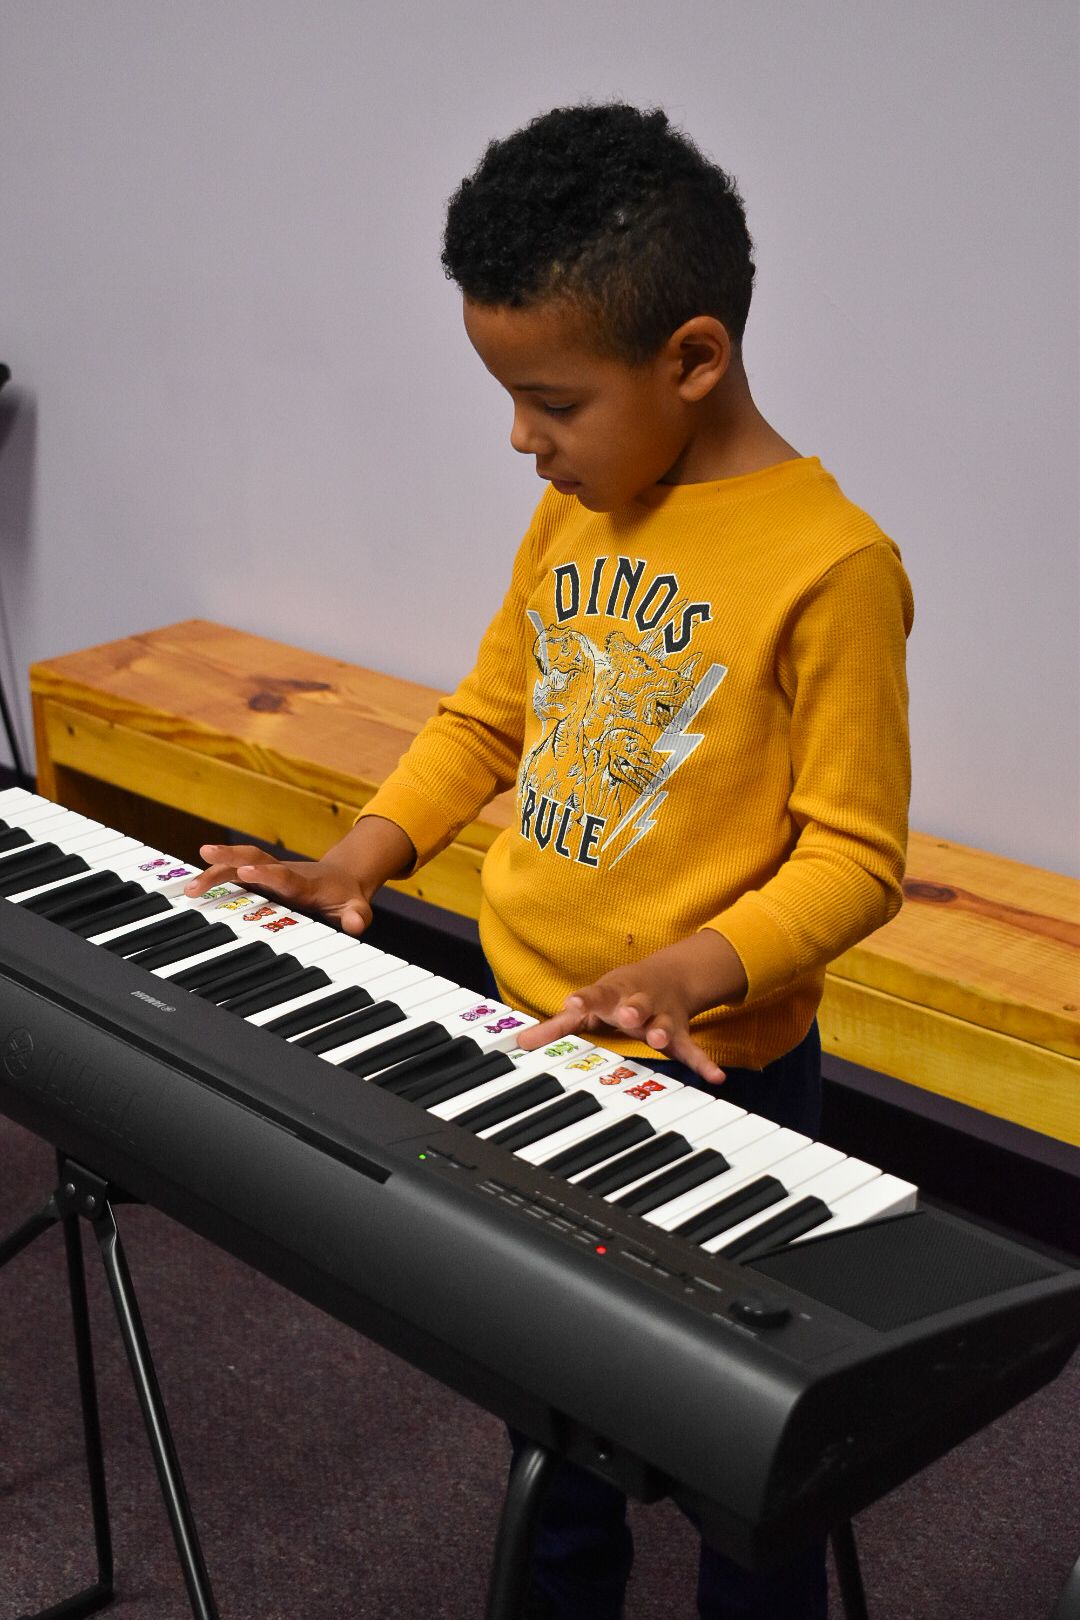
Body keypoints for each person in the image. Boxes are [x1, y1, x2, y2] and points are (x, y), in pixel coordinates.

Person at [187, 102, 912, 1619]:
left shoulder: (830, 568)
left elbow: (855, 862)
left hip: (716, 1078)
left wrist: (685, 971)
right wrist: (357, 857)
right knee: (559, 1430)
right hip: (532, 1038)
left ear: (692, 360)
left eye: (551, 399)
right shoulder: (573, 516)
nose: (523, 439)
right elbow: (489, 718)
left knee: (734, 1466)